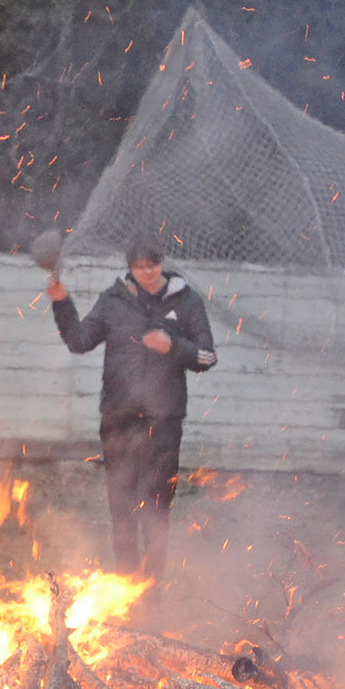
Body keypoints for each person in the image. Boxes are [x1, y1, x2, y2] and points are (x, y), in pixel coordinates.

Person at [45, 233, 217, 587]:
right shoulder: (113, 300)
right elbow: (79, 341)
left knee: (156, 513)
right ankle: (126, 590)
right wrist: (62, 303)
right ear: (130, 268)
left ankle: (151, 594)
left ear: (162, 262)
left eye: (153, 265)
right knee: (121, 511)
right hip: (118, 422)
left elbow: (207, 356)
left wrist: (173, 346)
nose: (148, 272)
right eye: (140, 268)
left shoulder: (186, 302)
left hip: (163, 425)